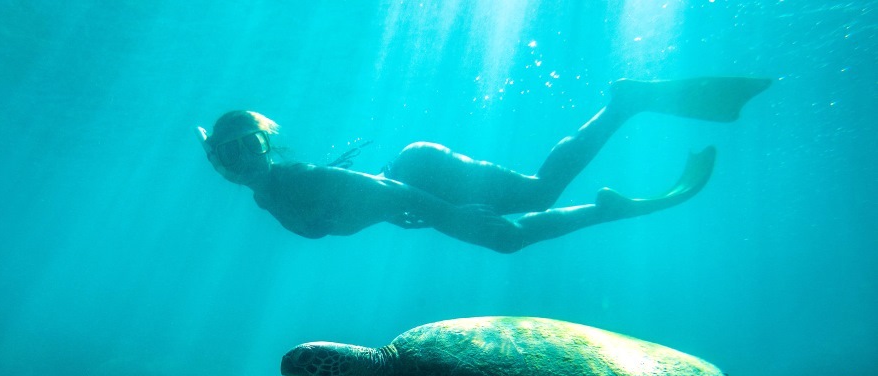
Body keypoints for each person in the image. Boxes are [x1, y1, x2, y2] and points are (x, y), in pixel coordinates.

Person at [197, 77, 770, 254]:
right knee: (517, 225)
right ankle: (607, 206)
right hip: (412, 189)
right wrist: (408, 216)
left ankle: (625, 104)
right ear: (218, 164)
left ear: (268, 145)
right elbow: (371, 202)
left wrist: (447, 216)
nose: (244, 158)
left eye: (251, 144)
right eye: (230, 152)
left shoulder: (295, 180)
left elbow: (375, 186)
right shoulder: (265, 195)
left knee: (530, 206)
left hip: (420, 174)